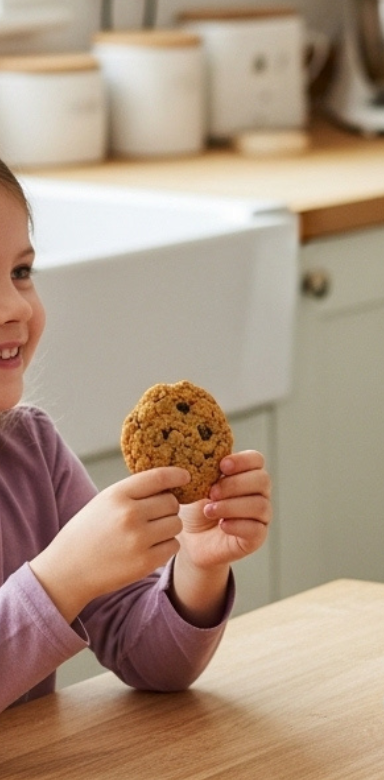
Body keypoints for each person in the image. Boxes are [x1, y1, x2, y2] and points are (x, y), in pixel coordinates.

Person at [0, 160, 272, 710]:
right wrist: (61, 579)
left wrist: (199, 559)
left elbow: (152, 661)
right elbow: (63, 580)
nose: (15, 307)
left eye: (20, 272)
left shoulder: (32, 452)